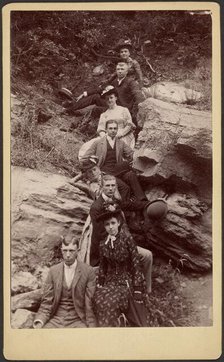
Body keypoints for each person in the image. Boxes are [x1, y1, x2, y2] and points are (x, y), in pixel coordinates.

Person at [89, 174, 153, 294]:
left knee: (147, 255)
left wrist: (147, 204)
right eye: (107, 185)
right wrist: (124, 242)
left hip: (120, 240)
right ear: (101, 187)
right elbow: (101, 235)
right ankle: (134, 288)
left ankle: (146, 289)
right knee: (144, 255)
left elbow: (128, 206)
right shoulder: (96, 207)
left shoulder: (115, 201)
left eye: (113, 185)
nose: (111, 188)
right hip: (105, 247)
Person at [93, 204, 148, 327]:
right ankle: (112, 326)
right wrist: (100, 282)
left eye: (113, 223)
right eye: (107, 224)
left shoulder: (127, 239)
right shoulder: (103, 244)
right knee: (98, 298)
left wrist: (138, 288)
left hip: (126, 280)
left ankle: (115, 326)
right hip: (110, 281)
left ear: (118, 223)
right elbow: (103, 266)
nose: (110, 227)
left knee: (111, 303)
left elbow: (136, 264)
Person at [33, 237, 96, 328]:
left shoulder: (88, 271)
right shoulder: (53, 271)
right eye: (65, 251)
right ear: (61, 251)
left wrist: (91, 326)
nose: (68, 255)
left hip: (77, 319)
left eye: (71, 251)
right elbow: (47, 302)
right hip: (56, 319)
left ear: (78, 251)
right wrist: (40, 321)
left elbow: (89, 303)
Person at [81, 119, 146, 201]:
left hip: (117, 170)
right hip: (104, 172)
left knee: (130, 175)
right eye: (110, 128)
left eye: (115, 128)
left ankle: (143, 200)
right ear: (106, 130)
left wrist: (140, 149)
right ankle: (128, 205)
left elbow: (131, 154)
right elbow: (84, 158)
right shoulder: (98, 143)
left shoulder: (120, 143)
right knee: (125, 185)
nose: (113, 131)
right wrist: (93, 162)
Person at [64, 62, 144, 124]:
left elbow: (137, 94)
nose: (120, 71)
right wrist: (86, 93)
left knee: (95, 109)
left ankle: (77, 124)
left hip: (121, 109)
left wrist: (139, 109)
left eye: (122, 69)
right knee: (95, 97)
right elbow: (101, 89)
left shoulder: (131, 82)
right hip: (111, 104)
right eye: (118, 69)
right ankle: (70, 110)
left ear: (127, 72)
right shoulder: (115, 81)